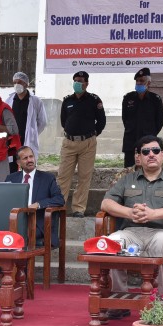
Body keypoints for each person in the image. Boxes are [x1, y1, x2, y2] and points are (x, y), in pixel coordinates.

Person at [101, 135, 163, 318]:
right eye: (146, 152)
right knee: (112, 242)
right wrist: (129, 212)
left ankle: (157, 302)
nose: (151, 154)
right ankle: (119, 300)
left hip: (162, 232)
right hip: (131, 232)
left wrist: (154, 214)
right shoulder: (127, 180)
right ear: (138, 157)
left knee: (162, 242)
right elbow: (106, 204)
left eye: (155, 151)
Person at [56, 71, 106, 218]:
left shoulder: (94, 100)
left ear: (87, 83)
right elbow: (64, 121)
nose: (78, 83)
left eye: (81, 81)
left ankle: (78, 209)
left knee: (84, 177)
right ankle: (59, 207)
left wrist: (92, 134)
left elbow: (101, 121)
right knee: (63, 177)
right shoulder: (67, 101)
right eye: (76, 80)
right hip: (69, 143)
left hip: (88, 144)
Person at [5, 146, 65, 247]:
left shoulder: (47, 178)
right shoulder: (11, 178)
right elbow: (5, 200)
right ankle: (6, 262)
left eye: (31, 157)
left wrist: (38, 204)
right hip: (15, 220)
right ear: (18, 163)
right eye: (25, 158)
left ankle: (19, 262)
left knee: (17, 236)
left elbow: (59, 199)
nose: (29, 160)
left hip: (38, 223)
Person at [121, 67, 163, 168]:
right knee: (129, 171)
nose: (139, 83)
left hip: (148, 142)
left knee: (149, 170)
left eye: (142, 81)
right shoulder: (128, 98)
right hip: (130, 141)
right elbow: (125, 119)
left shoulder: (155, 99)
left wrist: (150, 135)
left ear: (148, 83)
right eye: (137, 81)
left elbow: (159, 122)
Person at [5, 72, 48, 173]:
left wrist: (33, 133)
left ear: (26, 84)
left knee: (28, 167)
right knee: (12, 167)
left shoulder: (36, 101)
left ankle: (27, 187)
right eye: (14, 82)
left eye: (19, 82)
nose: (16, 85)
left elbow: (42, 122)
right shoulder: (9, 100)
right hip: (12, 141)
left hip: (28, 139)